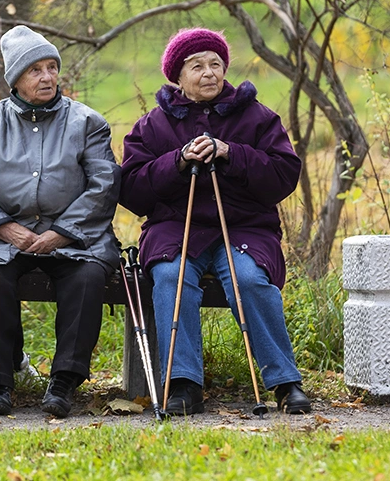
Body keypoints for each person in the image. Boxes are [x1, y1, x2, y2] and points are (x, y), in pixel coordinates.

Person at [120, 28, 312, 416]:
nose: (209, 73)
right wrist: (177, 162)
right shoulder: (153, 125)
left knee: (249, 279)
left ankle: (285, 382)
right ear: (178, 76)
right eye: (197, 66)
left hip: (244, 229)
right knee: (170, 277)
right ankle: (183, 383)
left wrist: (232, 153)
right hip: (175, 230)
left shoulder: (257, 117)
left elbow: (283, 176)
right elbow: (131, 190)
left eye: (215, 64)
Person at [0, 26, 120, 418]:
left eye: (51, 68)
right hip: (2, 234)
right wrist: (4, 228)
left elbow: (104, 185)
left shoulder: (87, 122)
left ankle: (64, 382)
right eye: (35, 70)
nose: (47, 77)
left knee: (87, 276)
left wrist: (60, 233)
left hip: (74, 237)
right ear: (15, 79)